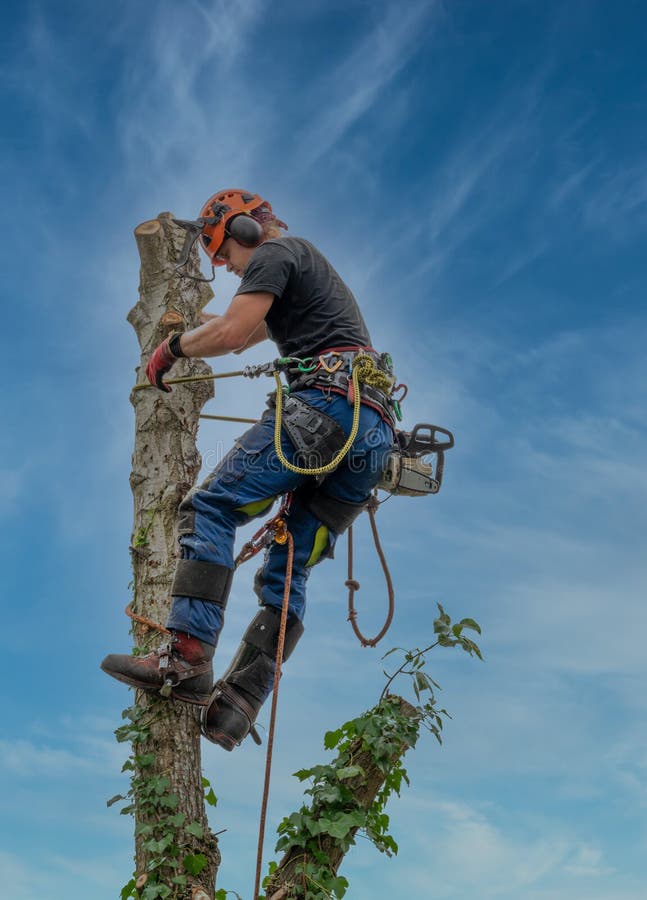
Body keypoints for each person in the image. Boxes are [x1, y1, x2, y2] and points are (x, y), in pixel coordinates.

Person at [101, 188, 398, 751]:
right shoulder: (303, 273)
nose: (224, 265)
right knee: (291, 567)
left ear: (242, 230)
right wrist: (182, 327)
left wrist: (169, 351)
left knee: (212, 505)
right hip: (372, 435)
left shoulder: (275, 253)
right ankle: (238, 704)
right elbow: (242, 332)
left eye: (221, 253)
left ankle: (184, 658)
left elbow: (231, 333)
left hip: (324, 409)